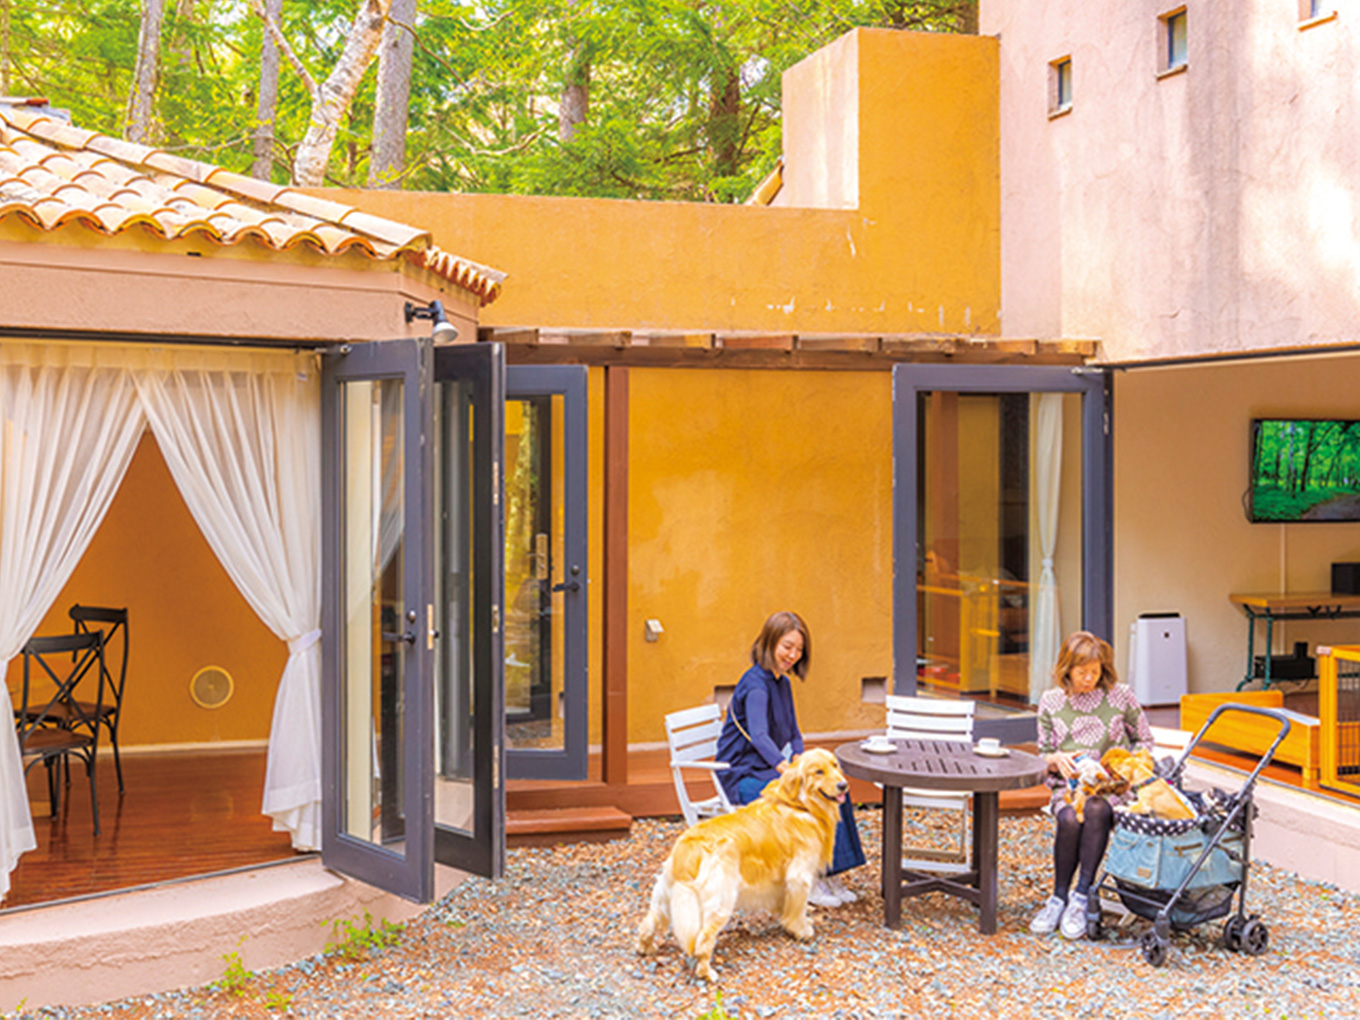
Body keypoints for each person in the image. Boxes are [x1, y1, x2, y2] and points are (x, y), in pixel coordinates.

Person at [715, 610, 866, 907]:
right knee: (809, 797)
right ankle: (809, 879)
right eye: (787, 647)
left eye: (799, 649)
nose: (793, 655)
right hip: (742, 775)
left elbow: (794, 732)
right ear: (770, 642)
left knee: (836, 789)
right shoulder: (756, 685)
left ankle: (830, 871)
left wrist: (798, 755)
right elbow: (759, 736)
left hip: (765, 770)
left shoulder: (782, 682)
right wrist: (787, 769)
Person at [1030, 630, 1155, 939]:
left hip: (1112, 787)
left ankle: (1081, 896)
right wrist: (1057, 759)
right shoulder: (1051, 701)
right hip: (1070, 787)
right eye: (1082, 672)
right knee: (1070, 818)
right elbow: (1044, 752)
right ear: (1067, 669)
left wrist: (1121, 766)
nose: (1089, 679)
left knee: (1096, 809)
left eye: (1095, 672)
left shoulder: (1120, 695)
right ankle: (1058, 898)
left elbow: (1144, 741)